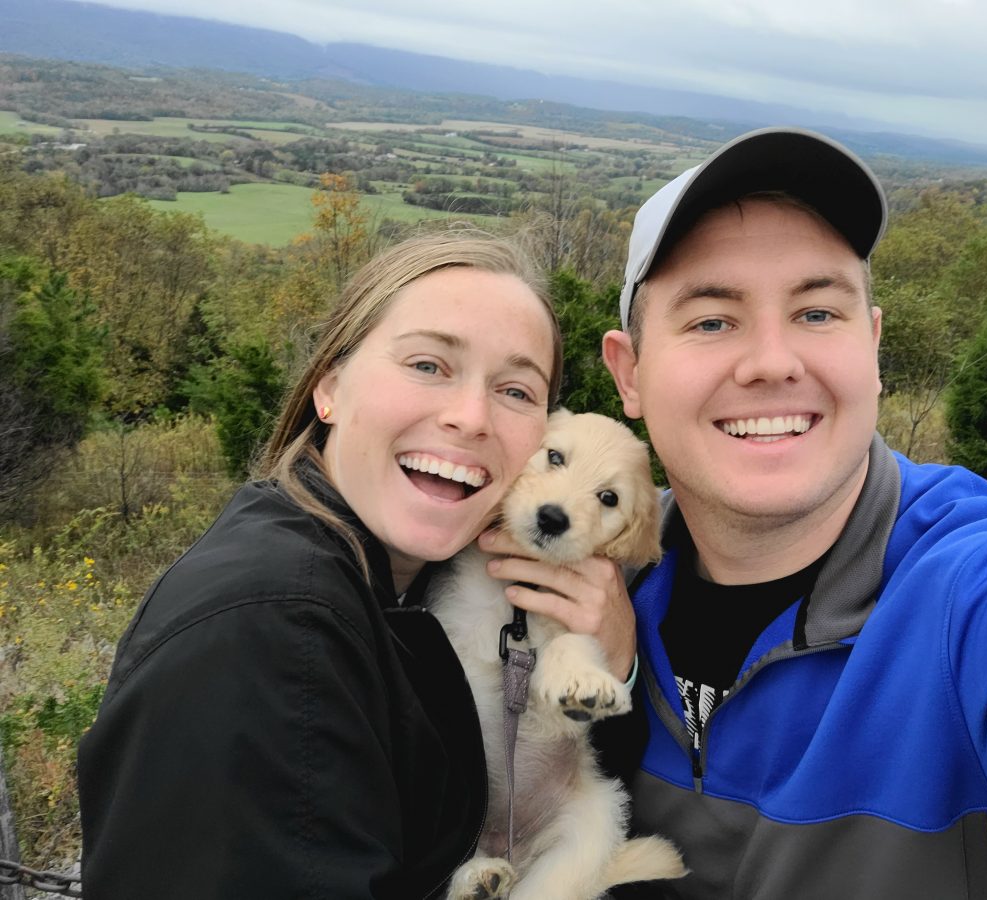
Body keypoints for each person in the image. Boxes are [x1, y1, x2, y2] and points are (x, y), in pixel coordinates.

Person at [598, 127, 987, 898]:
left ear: (873, 348)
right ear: (630, 372)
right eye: (713, 320)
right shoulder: (587, 585)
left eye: (818, 313)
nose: (775, 361)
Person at [76, 231, 637, 900]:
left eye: (516, 390)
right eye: (429, 365)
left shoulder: (397, 585)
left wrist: (610, 662)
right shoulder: (273, 634)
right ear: (330, 388)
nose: (470, 417)